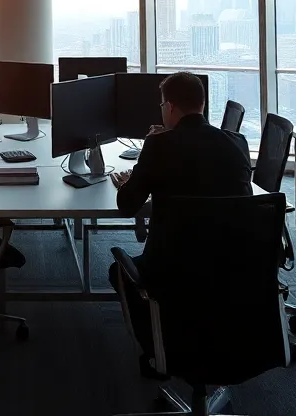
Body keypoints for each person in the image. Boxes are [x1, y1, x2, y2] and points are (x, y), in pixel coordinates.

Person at [107, 71, 253, 368]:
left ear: (170, 107)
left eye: (162, 105)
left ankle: (157, 349)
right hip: (233, 263)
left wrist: (130, 179)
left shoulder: (159, 146)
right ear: (201, 103)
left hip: (172, 267)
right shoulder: (237, 143)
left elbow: (127, 206)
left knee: (118, 271)